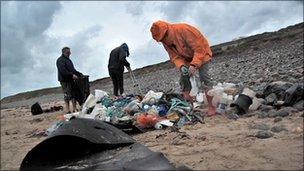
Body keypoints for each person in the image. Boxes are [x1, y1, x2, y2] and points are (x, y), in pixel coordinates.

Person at [150, 20, 216, 116]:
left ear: (168, 30)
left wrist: (194, 65)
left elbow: (199, 48)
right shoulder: (165, 41)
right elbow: (174, 57)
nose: (164, 41)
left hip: (202, 54)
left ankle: (211, 106)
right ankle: (190, 106)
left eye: (164, 38)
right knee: (183, 79)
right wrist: (181, 66)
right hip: (187, 58)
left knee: (205, 78)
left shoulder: (184, 30)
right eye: (161, 40)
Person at [56, 47, 82, 113]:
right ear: (64, 52)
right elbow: (63, 71)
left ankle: (74, 108)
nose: (70, 53)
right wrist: (72, 75)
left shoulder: (68, 60)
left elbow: (73, 70)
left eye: (69, 52)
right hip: (64, 81)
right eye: (68, 52)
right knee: (67, 95)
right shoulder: (60, 60)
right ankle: (67, 110)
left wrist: (79, 74)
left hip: (71, 80)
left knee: (73, 94)